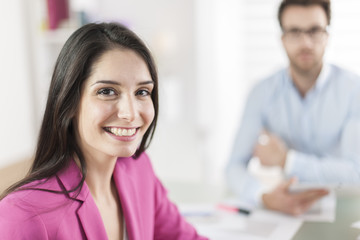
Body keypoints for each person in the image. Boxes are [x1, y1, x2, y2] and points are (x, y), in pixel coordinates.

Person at [0, 22, 208, 240]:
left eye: (142, 91)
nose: (130, 113)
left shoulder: (139, 170)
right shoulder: (21, 217)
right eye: (107, 91)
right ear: (69, 103)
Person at [226, 0, 360, 215]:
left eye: (314, 31)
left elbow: (356, 172)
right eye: (295, 32)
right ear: (282, 38)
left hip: (345, 209)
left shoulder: (354, 90)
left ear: (327, 35)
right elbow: (233, 167)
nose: (306, 42)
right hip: (283, 212)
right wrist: (262, 195)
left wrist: (287, 160)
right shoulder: (261, 92)